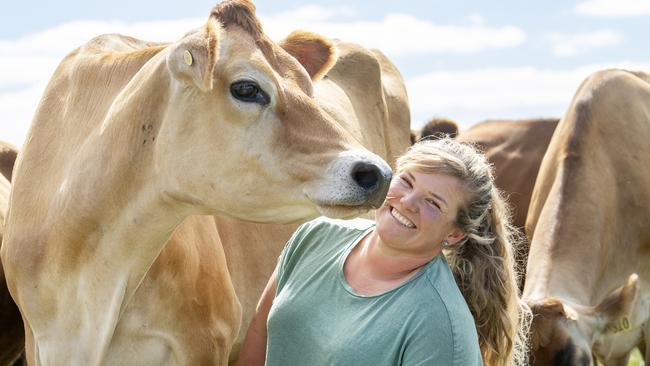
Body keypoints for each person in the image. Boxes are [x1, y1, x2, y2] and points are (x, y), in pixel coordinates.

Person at [239, 138, 531, 366]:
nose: (408, 202)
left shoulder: (441, 324)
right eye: (406, 181)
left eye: (434, 203)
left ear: (454, 234)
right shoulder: (315, 236)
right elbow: (259, 333)